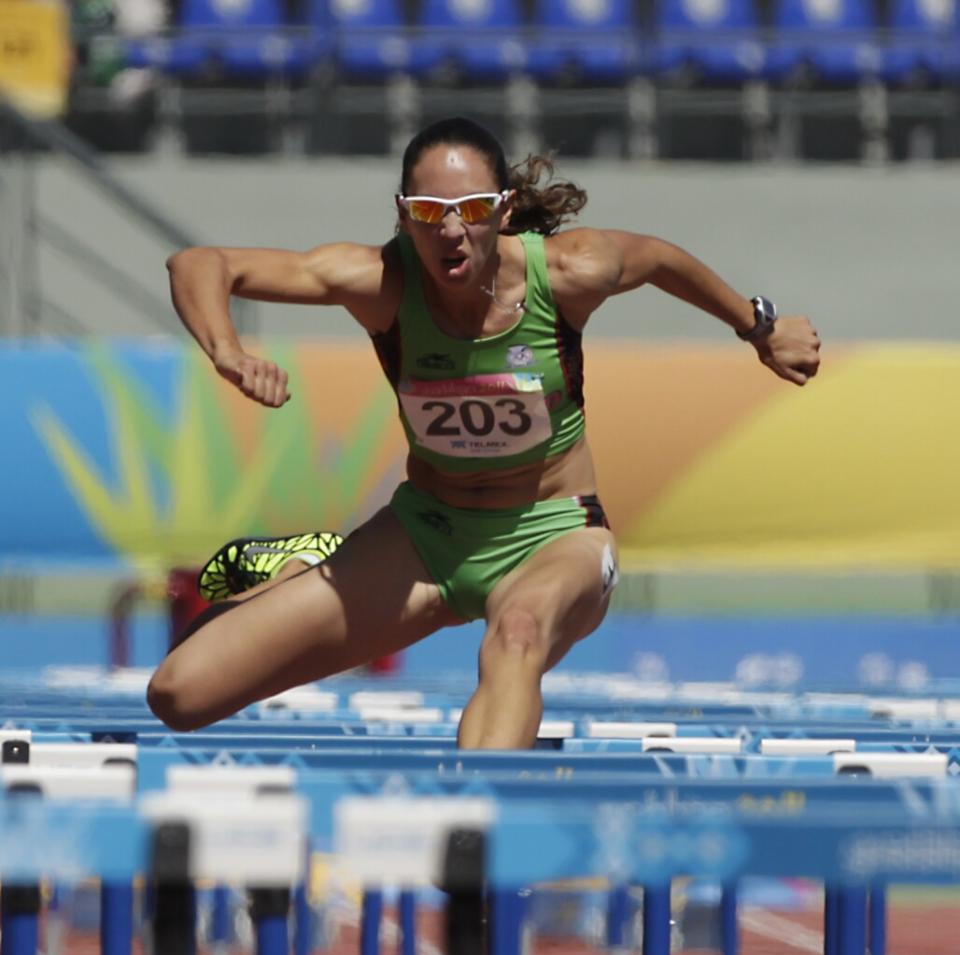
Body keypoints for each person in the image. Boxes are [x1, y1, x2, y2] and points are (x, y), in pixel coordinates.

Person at [147, 116, 820, 749]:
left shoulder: (566, 273)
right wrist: (228, 352)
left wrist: (759, 327)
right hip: (425, 540)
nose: (450, 234)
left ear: (500, 210)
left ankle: (475, 840)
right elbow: (198, 264)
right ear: (403, 216)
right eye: (429, 215)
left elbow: (660, 259)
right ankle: (305, 571)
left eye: (470, 212)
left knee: (517, 634)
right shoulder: (381, 282)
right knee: (180, 695)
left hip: (553, 533)